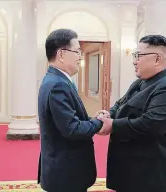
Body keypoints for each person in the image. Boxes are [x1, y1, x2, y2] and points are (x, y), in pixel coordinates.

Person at [97, 35, 166, 192]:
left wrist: (112, 124)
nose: (134, 61)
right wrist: (108, 114)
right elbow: (121, 103)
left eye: (138, 56)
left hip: (151, 175)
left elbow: (151, 125)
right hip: (132, 170)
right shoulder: (141, 81)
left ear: (157, 59)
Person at [37, 29, 104, 192]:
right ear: (61, 54)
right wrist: (99, 122)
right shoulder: (58, 84)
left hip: (62, 168)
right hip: (66, 173)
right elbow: (72, 129)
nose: (80, 57)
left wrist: (89, 119)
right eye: (77, 52)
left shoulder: (55, 80)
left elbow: (67, 117)